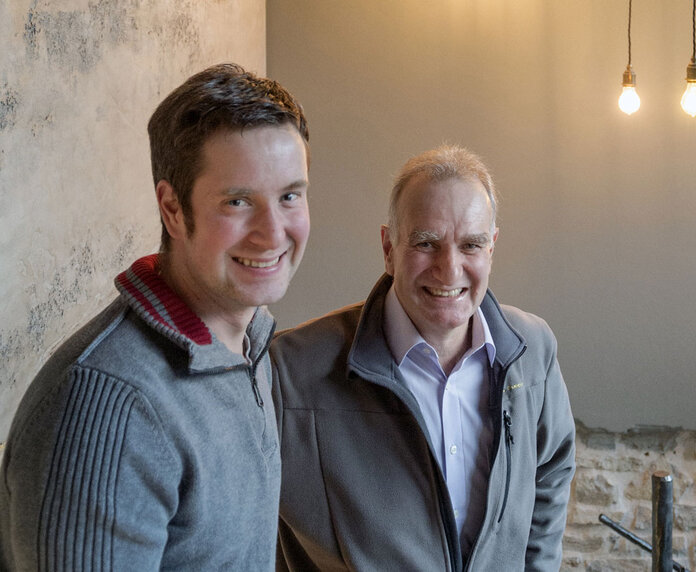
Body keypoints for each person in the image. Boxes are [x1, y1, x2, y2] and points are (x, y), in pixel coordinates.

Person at [0, 63, 311, 570]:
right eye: (237, 202)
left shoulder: (248, 338)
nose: (273, 233)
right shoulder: (110, 410)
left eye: (289, 196)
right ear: (171, 209)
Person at [271, 145, 575, 571]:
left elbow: (551, 469)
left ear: (492, 248)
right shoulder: (291, 369)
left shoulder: (533, 350)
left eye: (471, 245)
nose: (449, 270)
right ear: (388, 248)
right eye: (426, 243)